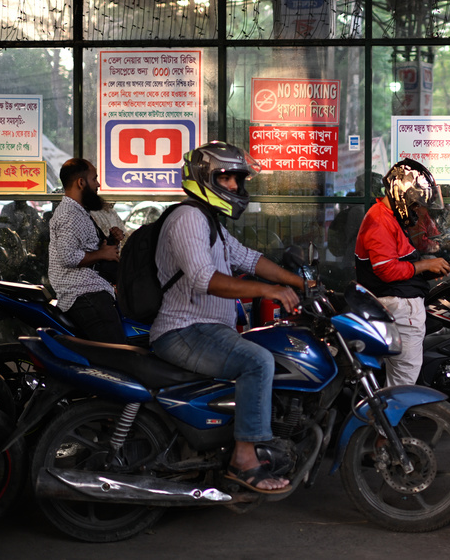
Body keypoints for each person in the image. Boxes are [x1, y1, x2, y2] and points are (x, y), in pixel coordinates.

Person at [150, 141, 306, 494]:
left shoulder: (210, 222)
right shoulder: (187, 218)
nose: (235, 186)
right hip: (183, 329)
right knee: (257, 362)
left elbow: (249, 259)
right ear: (205, 177)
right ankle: (245, 459)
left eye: (238, 179)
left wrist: (300, 281)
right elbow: (203, 279)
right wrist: (267, 291)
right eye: (227, 178)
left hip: (205, 329)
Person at [354, 159, 450, 387]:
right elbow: (386, 270)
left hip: (401, 303)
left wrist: (428, 267)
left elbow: (399, 259)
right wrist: (425, 266)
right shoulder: (379, 220)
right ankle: (390, 420)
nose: (418, 210)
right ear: (403, 196)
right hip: (399, 307)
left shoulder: (389, 217)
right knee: (403, 383)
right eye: (416, 204)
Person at [48, 159, 125, 343]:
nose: (98, 184)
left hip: (93, 292)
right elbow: (68, 256)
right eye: (94, 178)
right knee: (117, 353)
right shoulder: (70, 215)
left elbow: (90, 250)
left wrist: (112, 241)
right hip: (85, 295)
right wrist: (102, 254)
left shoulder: (80, 211)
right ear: (81, 183)